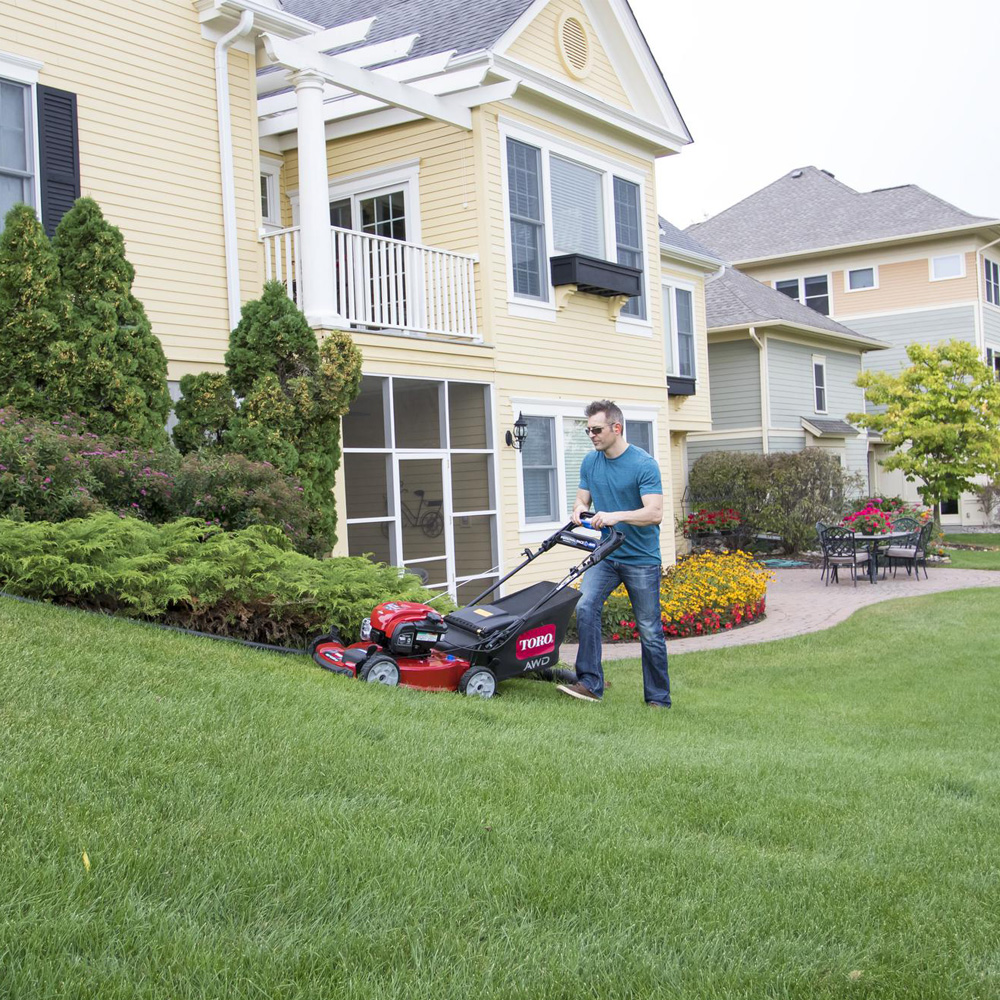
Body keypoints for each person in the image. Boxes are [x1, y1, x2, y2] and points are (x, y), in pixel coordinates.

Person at [557, 400, 671, 708]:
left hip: (641, 558)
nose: (591, 435)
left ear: (616, 428)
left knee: (649, 629)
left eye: (596, 430)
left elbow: (655, 513)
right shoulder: (590, 462)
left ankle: (659, 700)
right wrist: (579, 509)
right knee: (586, 606)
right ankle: (590, 684)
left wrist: (615, 516)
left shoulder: (642, 464)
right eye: (588, 430)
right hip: (606, 554)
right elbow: (581, 501)